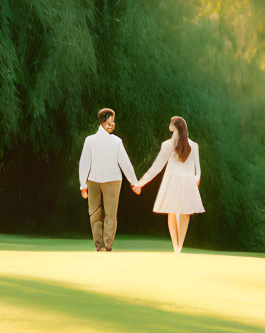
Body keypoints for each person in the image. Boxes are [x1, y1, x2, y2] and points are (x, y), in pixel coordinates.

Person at [137, 116, 203, 253]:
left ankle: (176, 247)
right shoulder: (193, 145)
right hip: (188, 182)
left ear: (174, 129)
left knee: (173, 213)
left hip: (173, 181)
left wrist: (141, 182)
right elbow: (198, 169)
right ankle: (178, 248)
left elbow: (157, 167)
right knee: (185, 214)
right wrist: (196, 178)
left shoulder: (168, 145)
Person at [78, 108, 140, 251]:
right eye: (109, 121)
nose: (112, 124)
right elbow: (84, 163)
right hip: (95, 181)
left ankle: (105, 244)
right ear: (102, 121)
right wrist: (82, 184)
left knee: (103, 213)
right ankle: (102, 244)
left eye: (113, 121)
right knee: (100, 213)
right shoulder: (91, 140)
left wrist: (134, 182)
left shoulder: (116, 141)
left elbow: (125, 163)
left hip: (110, 181)